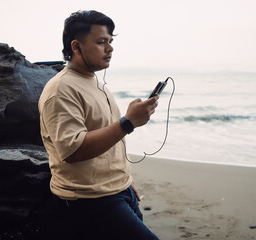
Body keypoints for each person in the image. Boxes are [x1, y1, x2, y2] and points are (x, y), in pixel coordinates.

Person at [38, 10, 160, 240]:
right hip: (91, 201)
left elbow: (106, 138)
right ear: (76, 47)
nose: (110, 48)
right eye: (101, 42)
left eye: (111, 41)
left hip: (119, 191)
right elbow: (72, 150)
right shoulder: (61, 90)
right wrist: (128, 122)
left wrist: (125, 179)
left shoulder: (95, 81)